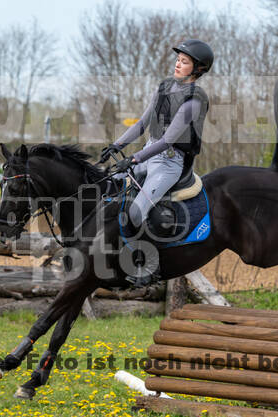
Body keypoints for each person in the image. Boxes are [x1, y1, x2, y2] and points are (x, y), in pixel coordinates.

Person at [100, 39, 213, 285]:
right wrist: (116, 146)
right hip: (148, 152)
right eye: (178, 60)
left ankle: (148, 265)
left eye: (184, 62)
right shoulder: (164, 87)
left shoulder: (194, 100)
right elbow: (141, 124)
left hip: (169, 164)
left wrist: (133, 158)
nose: (178, 64)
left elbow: (170, 139)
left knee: (136, 212)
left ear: (198, 69)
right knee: (107, 188)